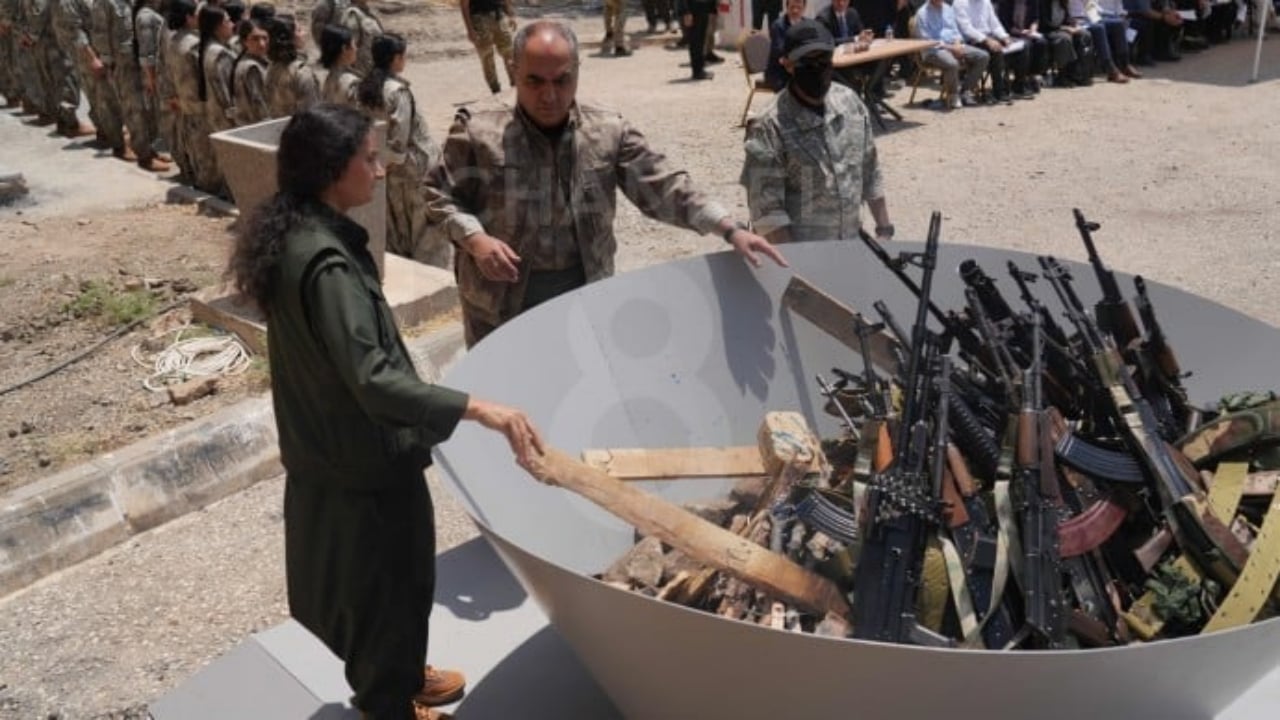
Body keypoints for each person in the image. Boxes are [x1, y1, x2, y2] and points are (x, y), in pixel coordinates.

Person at [226, 103, 542, 720]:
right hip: (366, 467)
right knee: (392, 591)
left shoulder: (296, 233)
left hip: (336, 453)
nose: (381, 168)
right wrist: (478, 408)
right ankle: (389, 701)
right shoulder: (329, 265)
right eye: (368, 158)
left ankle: (399, 673)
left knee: (380, 592)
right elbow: (373, 380)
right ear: (329, 169)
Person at [423, 20, 786, 347]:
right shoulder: (477, 129)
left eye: (561, 80)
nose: (549, 95)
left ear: (577, 74)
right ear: (515, 71)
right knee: (503, 404)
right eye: (535, 81)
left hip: (583, 302)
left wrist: (728, 228)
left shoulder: (607, 130)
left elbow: (662, 185)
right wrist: (475, 239)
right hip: (498, 308)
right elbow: (437, 192)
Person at [740, 19, 894, 245]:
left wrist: (885, 230)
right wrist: (798, 269)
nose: (818, 68)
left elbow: (870, 171)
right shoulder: (768, 126)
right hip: (803, 258)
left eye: (824, 59)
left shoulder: (850, 104)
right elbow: (768, 214)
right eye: (807, 61)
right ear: (788, 64)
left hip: (851, 248)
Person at [356, 33, 450, 268]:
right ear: (396, 58)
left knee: (398, 227)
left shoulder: (367, 87)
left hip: (386, 170)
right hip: (411, 169)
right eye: (403, 55)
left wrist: (378, 167)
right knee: (425, 226)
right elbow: (400, 141)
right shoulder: (397, 92)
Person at [915, 0, 990, 108]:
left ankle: (965, 91)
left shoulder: (948, 9)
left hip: (953, 45)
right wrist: (951, 48)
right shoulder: (922, 14)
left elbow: (956, 31)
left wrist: (957, 44)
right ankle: (953, 95)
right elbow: (927, 41)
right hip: (934, 50)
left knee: (983, 56)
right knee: (952, 63)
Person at [954, 0, 1033, 100]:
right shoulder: (960, 3)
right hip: (972, 40)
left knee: (1023, 46)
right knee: (996, 50)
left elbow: (994, 24)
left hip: (990, 37)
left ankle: (1019, 86)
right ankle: (999, 91)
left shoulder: (986, 2)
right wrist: (987, 40)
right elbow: (966, 29)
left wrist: (1005, 37)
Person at [264, 13, 320, 117]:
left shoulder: (271, 67)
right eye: (299, 30)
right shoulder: (301, 72)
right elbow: (312, 114)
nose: (304, 33)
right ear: (291, 38)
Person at [461, 0, 515, 94]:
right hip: (479, 18)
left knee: (509, 52)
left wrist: (511, 14)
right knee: (487, 57)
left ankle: (515, 86)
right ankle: (495, 90)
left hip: (499, 15)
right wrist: (470, 30)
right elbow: (464, 4)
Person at [230, 16, 271, 124]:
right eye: (255, 39)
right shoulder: (252, 68)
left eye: (265, 38)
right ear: (245, 42)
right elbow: (260, 106)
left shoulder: (252, 62)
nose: (262, 44)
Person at [765, 0, 807, 90]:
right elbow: (780, 50)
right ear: (787, 8)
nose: (795, 11)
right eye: (792, 7)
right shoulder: (778, 26)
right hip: (779, 71)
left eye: (799, 8)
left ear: (804, 9)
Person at [318, 23, 360, 107]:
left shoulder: (321, 77)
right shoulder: (352, 82)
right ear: (344, 49)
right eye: (354, 44)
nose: (356, 48)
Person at [339, 0, 382, 75]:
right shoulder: (352, 14)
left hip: (370, 62)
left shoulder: (366, 11)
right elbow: (351, 43)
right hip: (360, 66)